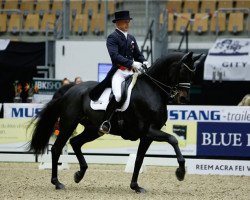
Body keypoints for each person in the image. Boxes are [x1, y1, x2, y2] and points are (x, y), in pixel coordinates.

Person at [90, 10, 149, 134]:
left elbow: (138, 54)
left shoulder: (131, 38)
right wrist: (131, 63)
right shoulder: (113, 37)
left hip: (132, 72)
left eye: (128, 22)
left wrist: (144, 61)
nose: (127, 24)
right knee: (117, 95)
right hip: (119, 72)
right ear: (117, 23)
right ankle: (106, 122)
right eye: (124, 22)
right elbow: (115, 56)